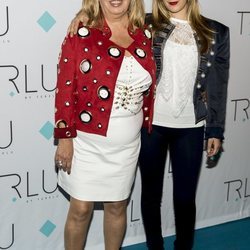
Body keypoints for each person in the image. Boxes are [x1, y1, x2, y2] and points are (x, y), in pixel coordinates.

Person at [68, 0, 230, 249]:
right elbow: (106, 18)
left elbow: (217, 86)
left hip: (191, 126)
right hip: (151, 124)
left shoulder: (216, 32)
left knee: (185, 198)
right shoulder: (144, 24)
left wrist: (216, 129)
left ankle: (183, 246)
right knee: (151, 195)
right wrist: (83, 15)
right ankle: (155, 246)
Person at [53, 0, 156, 249]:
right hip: (87, 143)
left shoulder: (144, 33)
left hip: (128, 145)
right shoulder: (80, 33)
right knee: (80, 208)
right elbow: (65, 89)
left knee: (118, 205)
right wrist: (65, 138)